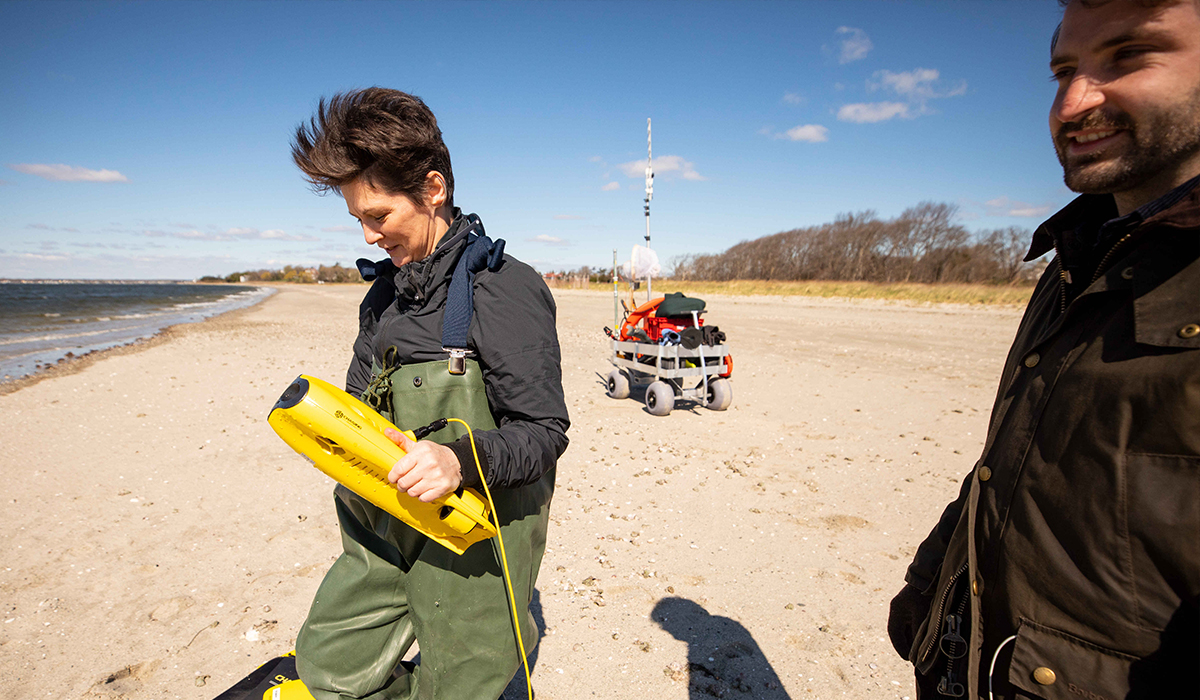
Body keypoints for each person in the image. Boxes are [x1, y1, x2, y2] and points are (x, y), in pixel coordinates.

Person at [887, 1, 1200, 698]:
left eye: (1130, 55)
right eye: (1063, 69)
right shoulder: (1077, 261)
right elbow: (1014, 462)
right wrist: (931, 588)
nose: (1073, 102)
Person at [289, 88, 569, 700]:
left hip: (475, 532)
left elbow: (544, 433)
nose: (367, 237)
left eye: (378, 216)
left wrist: (456, 461)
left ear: (433, 189)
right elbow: (360, 403)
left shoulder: (506, 289)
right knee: (327, 667)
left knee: (465, 684)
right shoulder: (383, 299)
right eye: (358, 220)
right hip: (381, 522)